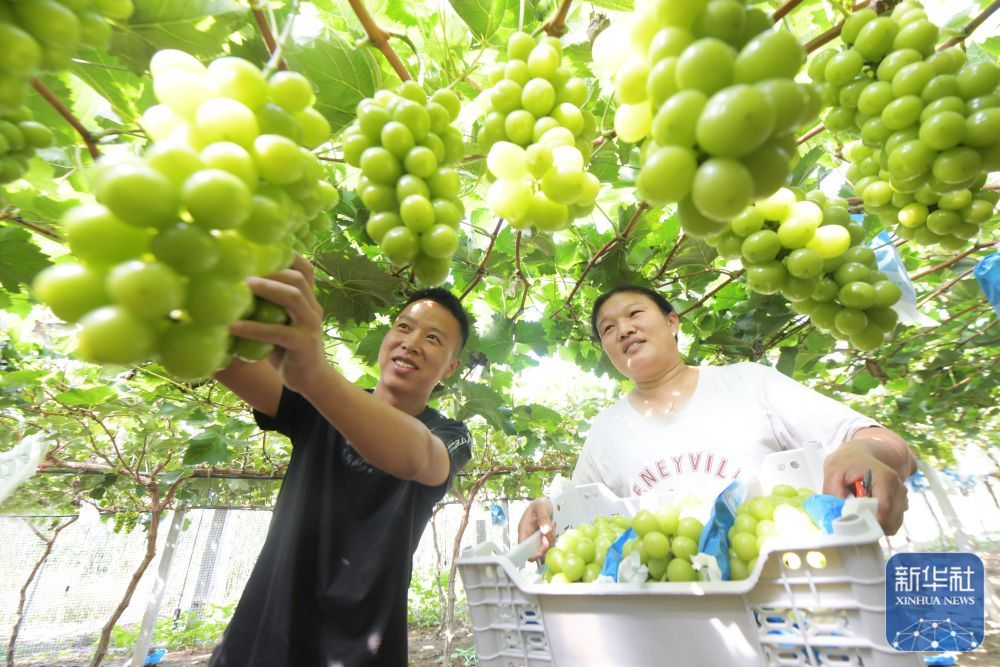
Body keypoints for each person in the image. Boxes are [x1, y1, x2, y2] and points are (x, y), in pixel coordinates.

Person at [518, 284, 917, 557]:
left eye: (634, 313)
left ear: (672, 322)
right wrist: (544, 509)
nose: (623, 329)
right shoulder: (606, 430)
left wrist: (865, 451)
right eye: (608, 328)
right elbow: (573, 513)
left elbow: (880, 440)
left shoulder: (748, 381)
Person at [209, 255, 473, 666]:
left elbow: (419, 456)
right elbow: (216, 354)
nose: (412, 342)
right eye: (403, 326)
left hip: (362, 653)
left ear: (451, 368)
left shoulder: (451, 436)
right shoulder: (320, 403)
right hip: (262, 641)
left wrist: (314, 373)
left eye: (434, 339)